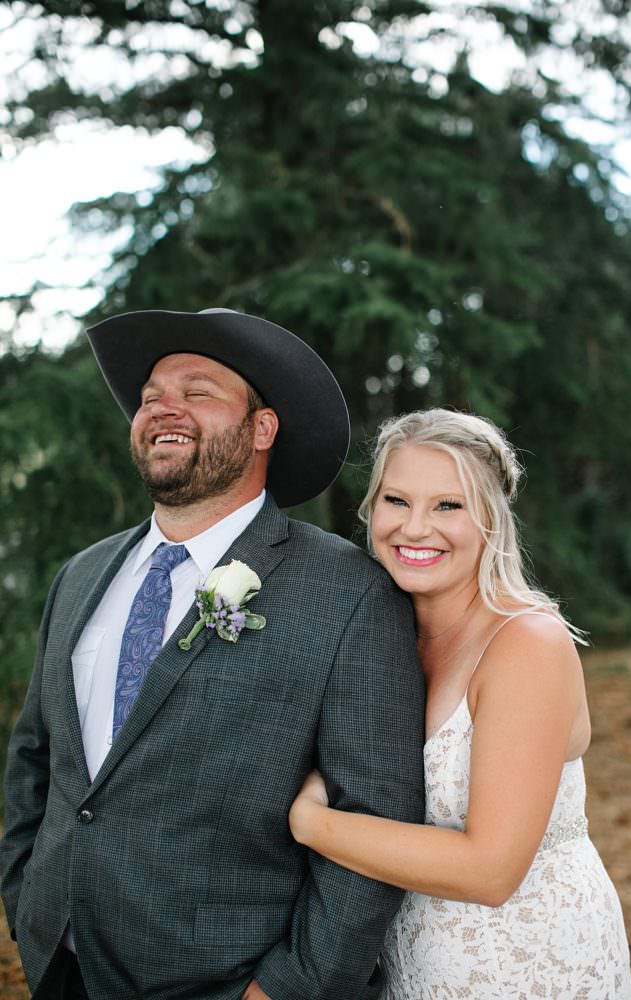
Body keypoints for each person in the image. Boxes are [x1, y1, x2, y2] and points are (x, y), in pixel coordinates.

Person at [0, 308, 425, 1000]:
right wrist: (27, 904)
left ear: (262, 428)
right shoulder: (78, 577)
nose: (163, 407)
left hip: (226, 980)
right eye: (149, 397)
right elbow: (35, 763)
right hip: (62, 965)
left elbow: (376, 817)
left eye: (197, 391)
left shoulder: (347, 594)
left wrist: (286, 988)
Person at [290, 407, 631, 999]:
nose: (415, 527)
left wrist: (312, 822)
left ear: (492, 522)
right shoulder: (377, 639)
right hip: (414, 964)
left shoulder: (526, 644)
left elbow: (491, 869)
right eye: (397, 501)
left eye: (447, 506)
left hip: (528, 963)